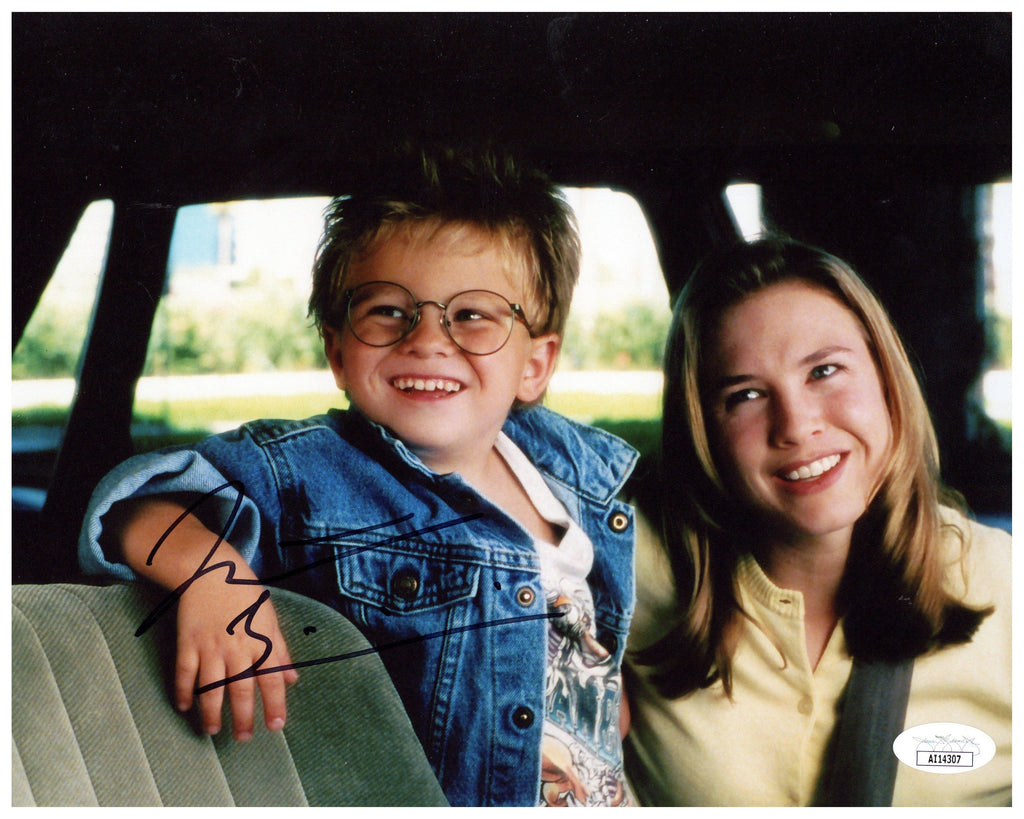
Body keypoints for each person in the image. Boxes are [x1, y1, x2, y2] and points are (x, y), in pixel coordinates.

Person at [78, 145, 638, 807]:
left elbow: (581, 636)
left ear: (535, 366)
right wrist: (212, 576)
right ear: (338, 349)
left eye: (473, 314)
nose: (427, 338)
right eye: (387, 311)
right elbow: (137, 504)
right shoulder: (309, 470)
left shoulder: (573, 477)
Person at [623, 236, 1011, 806]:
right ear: (704, 431)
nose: (796, 425)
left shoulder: (1007, 587)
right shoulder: (627, 567)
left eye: (824, 371)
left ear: (886, 377)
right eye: (746, 395)